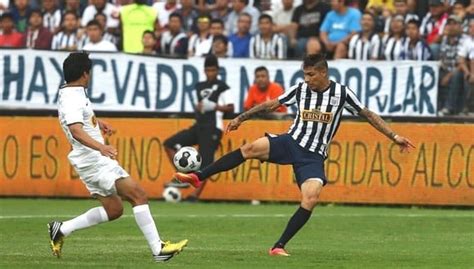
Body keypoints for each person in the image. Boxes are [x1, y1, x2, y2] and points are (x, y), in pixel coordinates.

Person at [174, 53, 414, 256]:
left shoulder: (342, 93)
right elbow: (270, 104)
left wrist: (394, 136)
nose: (306, 79)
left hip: (313, 156)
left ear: (323, 73)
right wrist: (240, 118)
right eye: (304, 74)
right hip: (290, 141)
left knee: (311, 198)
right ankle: (198, 176)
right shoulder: (300, 89)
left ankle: (278, 246)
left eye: (310, 75)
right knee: (249, 149)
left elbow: (368, 114)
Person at [49, 51, 187, 262]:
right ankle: (158, 250)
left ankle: (62, 229)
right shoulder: (73, 96)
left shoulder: (71, 91)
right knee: (138, 195)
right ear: (85, 74)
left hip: (88, 160)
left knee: (114, 210)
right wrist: (101, 147)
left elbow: (79, 120)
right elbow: (75, 130)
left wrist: (97, 122)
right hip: (93, 159)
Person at [164, 54, 234, 201]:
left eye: (213, 70)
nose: (210, 73)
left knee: (206, 163)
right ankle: (183, 175)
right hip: (199, 125)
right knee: (169, 144)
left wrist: (215, 106)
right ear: (204, 71)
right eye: (208, 70)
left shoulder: (223, 87)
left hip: (213, 127)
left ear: (217, 70)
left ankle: (194, 195)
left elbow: (230, 108)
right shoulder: (199, 86)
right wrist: (200, 107)